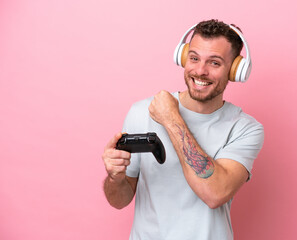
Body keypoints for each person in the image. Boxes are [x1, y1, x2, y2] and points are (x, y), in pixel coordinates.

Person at [102, 19, 264, 239]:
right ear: (183, 57)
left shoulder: (245, 128)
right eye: (194, 58)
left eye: (214, 63)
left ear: (235, 70)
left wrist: (171, 119)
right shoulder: (141, 112)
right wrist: (115, 178)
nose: (200, 70)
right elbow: (119, 200)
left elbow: (214, 193)